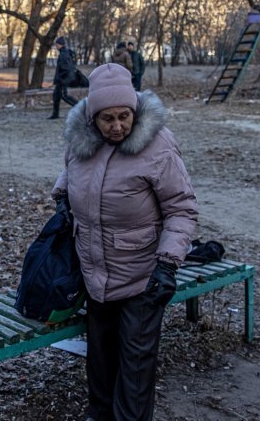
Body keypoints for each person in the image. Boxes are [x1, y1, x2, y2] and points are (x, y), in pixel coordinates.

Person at [52, 63, 197, 421]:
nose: (117, 126)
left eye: (124, 116)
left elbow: (182, 209)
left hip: (143, 278)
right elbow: (69, 177)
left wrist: (166, 265)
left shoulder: (158, 146)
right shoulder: (80, 142)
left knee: (134, 367)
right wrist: (61, 198)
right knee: (100, 358)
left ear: (135, 112)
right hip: (95, 273)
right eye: (107, 119)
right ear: (92, 119)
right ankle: (99, 414)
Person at [49, 36, 79, 119]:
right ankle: (55, 114)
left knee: (64, 96)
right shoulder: (64, 53)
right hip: (62, 79)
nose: (56, 46)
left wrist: (61, 79)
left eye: (57, 44)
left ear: (60, 44)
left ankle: (81, 108)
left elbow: (65, 68)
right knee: (56, 96)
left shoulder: (64, 54)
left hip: (63, 79)